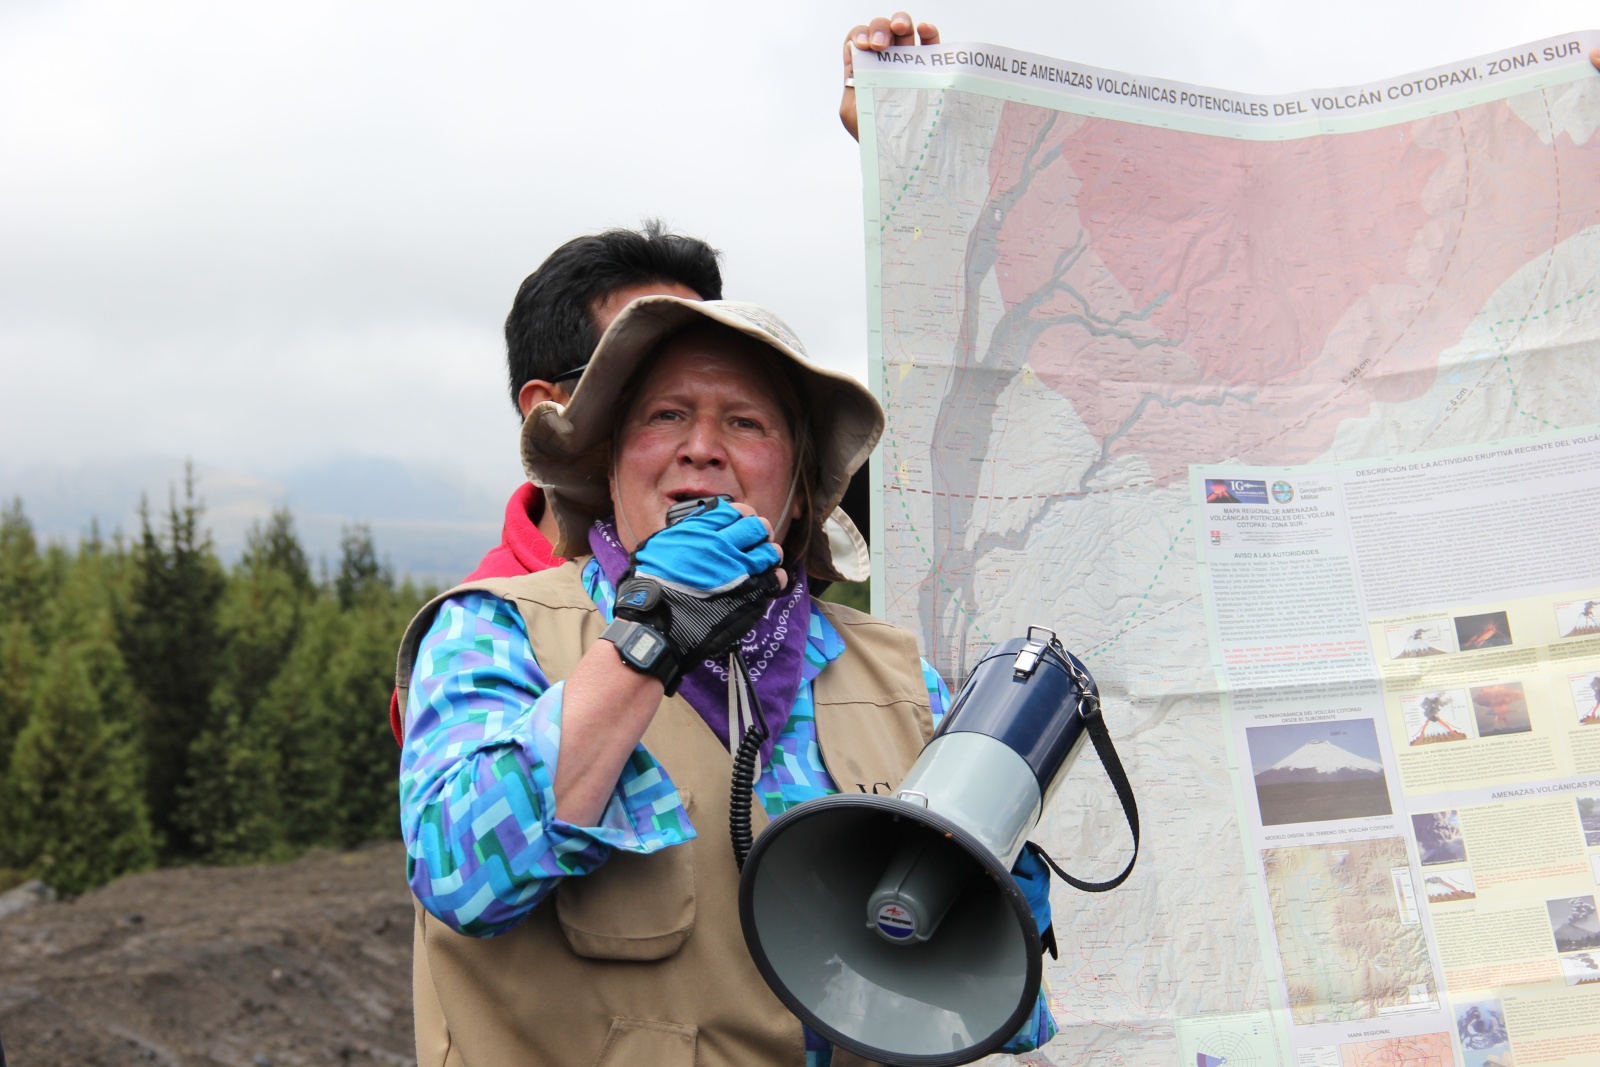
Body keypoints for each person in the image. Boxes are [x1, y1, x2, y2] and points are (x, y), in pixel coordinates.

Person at [395, 296, 1058, 1065]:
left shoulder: (901, 676)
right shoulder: (496, 629)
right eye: (665, 417)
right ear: (611, 471)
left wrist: (990, 935)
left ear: (801, 491)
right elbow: (459, 874)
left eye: (746, 423)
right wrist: (650, 634)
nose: (702, 447)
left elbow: (982, 1026)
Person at [385, 220, 722, 743]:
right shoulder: (487, 629)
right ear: (549, 408)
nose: (702, 440)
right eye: (650, 387)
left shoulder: (759, 568)